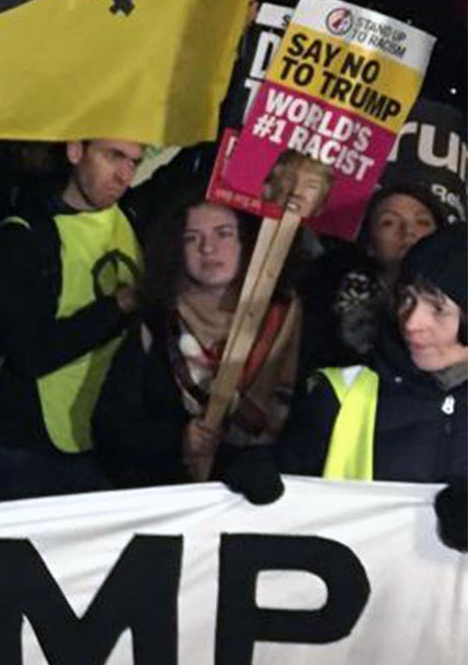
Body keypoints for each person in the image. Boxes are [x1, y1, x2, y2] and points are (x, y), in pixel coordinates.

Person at [222, 225, 467, 551]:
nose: (411, 322)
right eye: (407, 298)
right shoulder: (343, 393)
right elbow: (288, 482)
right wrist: (253, 473)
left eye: (437, 309)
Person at [94, 193, 302, 486]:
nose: (208, 248)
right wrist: (179, 439)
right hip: (178, 502)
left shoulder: (286, 318)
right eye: (192, 238)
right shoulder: (154, 325)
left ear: (247, 242)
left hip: (272, 500)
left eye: (223, 234)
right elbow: (111, 426)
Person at [0, 138, 145, 500]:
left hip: (106, 440)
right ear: (75, 151)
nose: (124, 175)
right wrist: (119, 304)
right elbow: (28, 352)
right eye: (114, 156)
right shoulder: (21, 236)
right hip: (28, 445)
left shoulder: (132, 214)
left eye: (135, 161)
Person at [312, 183, 445, 364]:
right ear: (369, 244)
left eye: (422, 222)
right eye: (389, 222)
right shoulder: (329, 304)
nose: (409, 231)